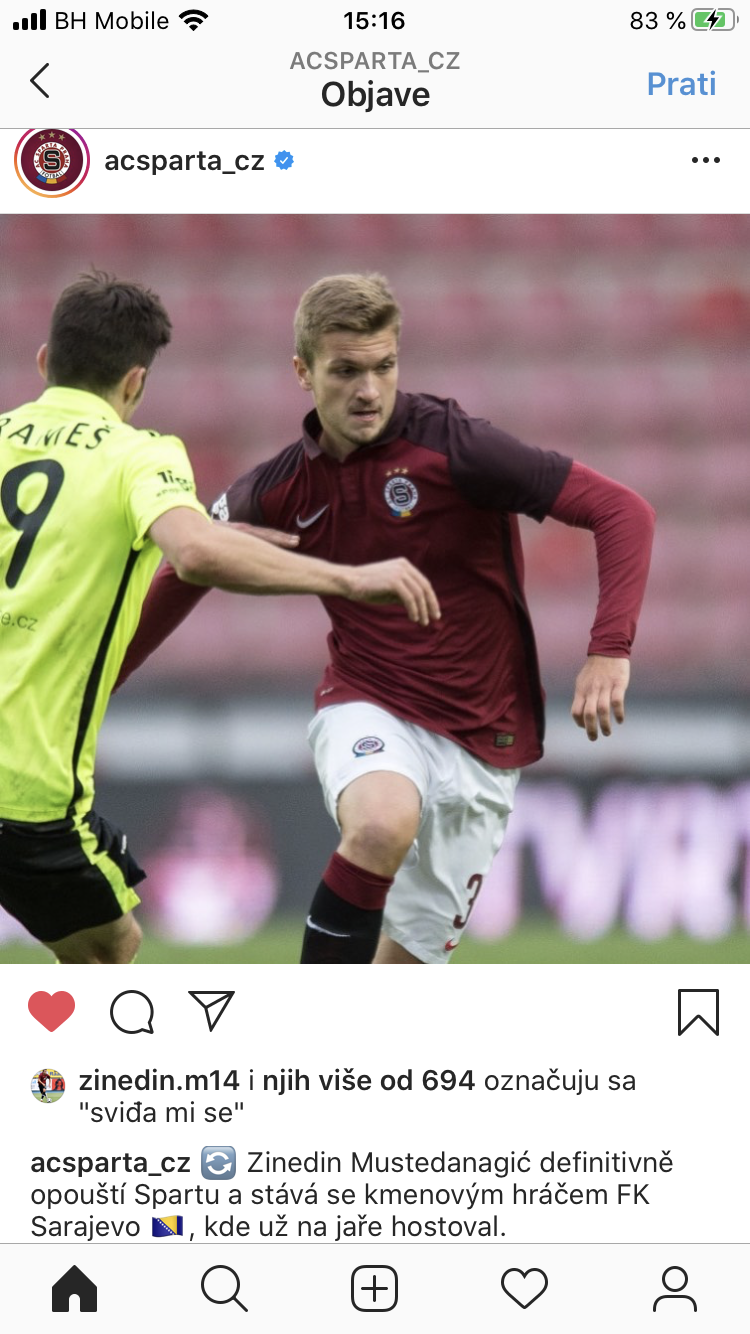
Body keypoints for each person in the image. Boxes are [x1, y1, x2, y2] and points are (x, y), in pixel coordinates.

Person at [118, 272, 656, 965]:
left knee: (401, 976)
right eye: (346, 371)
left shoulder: (457, 447)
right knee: (380, 824)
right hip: (369, 702)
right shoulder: (283, 485)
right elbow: (186, 568)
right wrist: (97, 686)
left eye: (384, 367)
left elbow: (621, 510)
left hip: (484, 738)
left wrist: (609, 648)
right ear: (303, 373)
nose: (369, 390)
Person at [0, 272, 439, 965]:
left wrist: (210, 531)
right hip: (23, 788)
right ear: (136, 383)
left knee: (105, 943)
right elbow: (196, 554)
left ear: (45, 361)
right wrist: (350, 578)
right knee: (108, 951)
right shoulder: (138, 456)